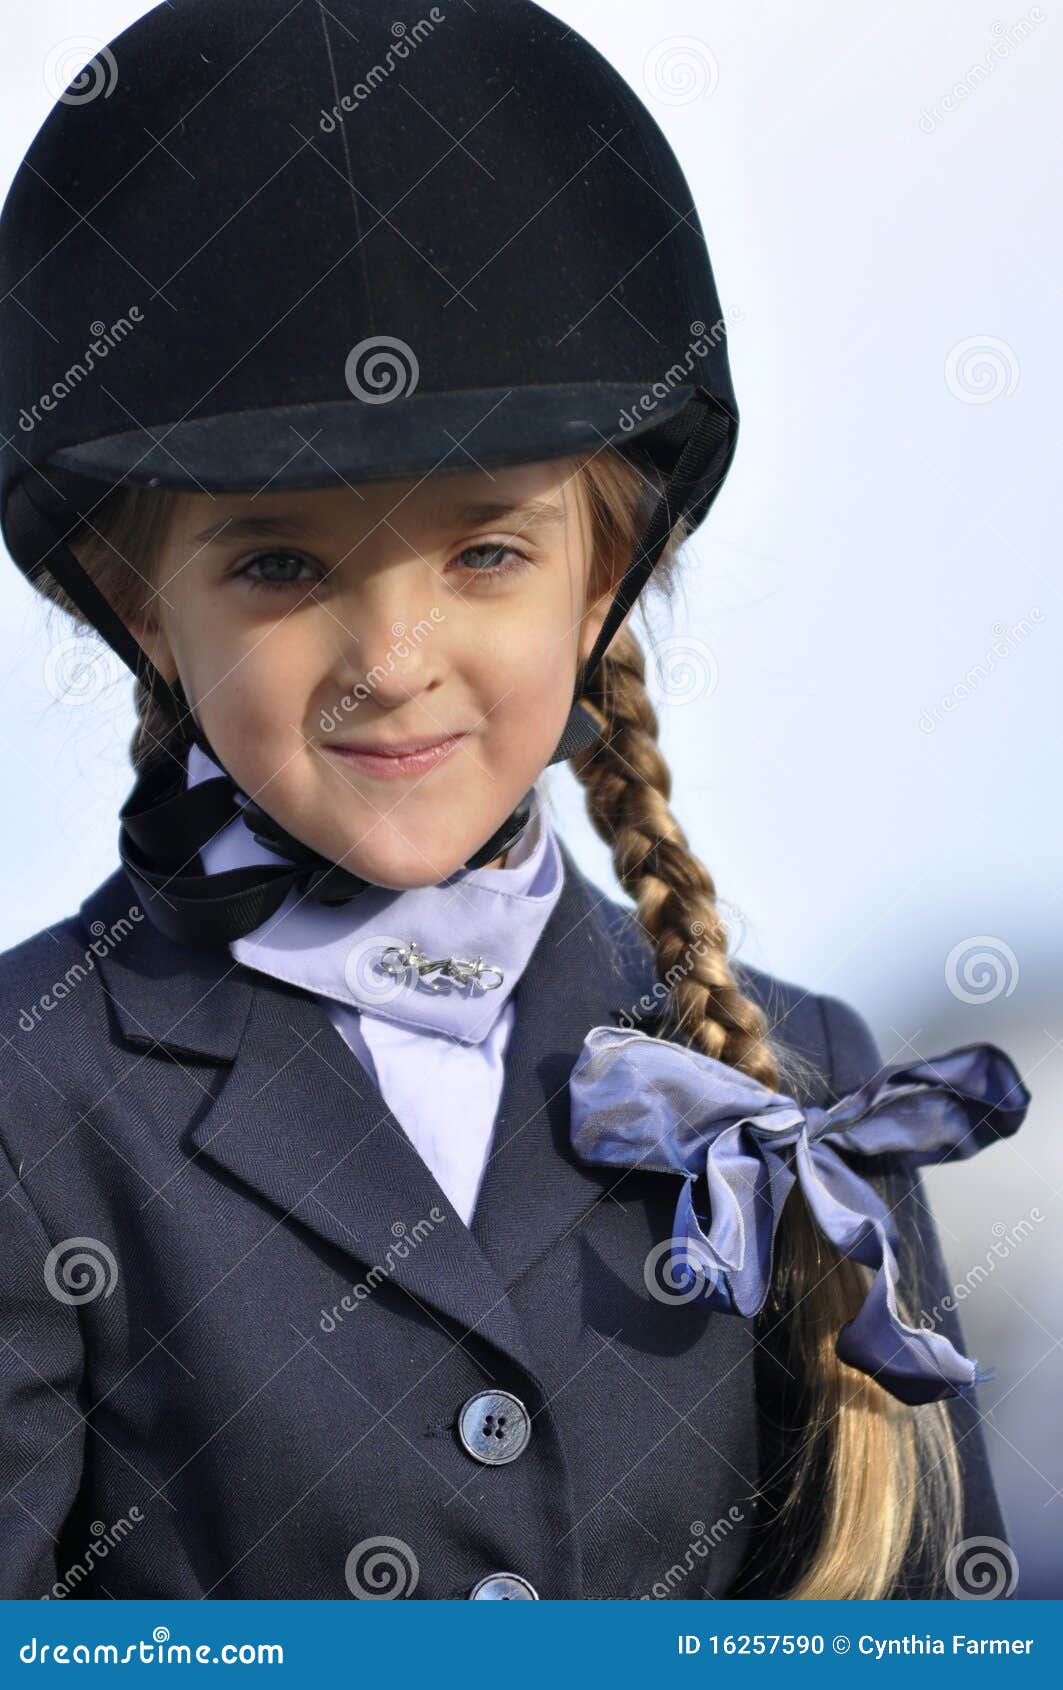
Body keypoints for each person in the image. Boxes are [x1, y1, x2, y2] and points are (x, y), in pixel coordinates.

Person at [0, 0, 1030, 1602]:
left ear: (601, 574)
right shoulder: (29, 1102)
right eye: (280, 564)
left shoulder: (806, 1076)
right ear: (144, 602)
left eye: (486, 552)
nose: (394, 659)